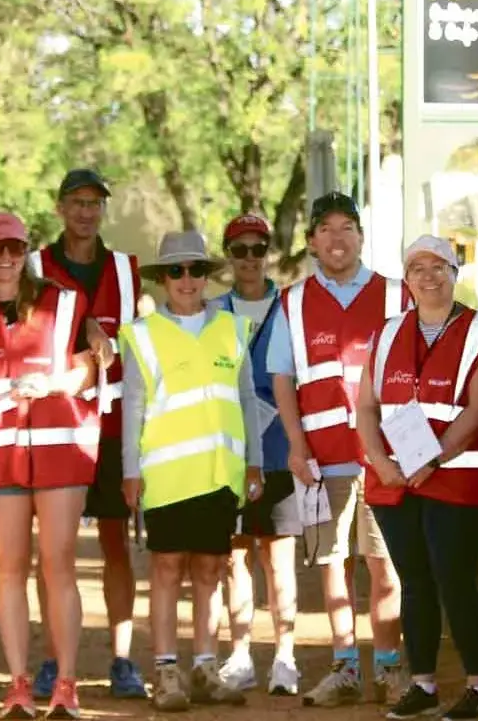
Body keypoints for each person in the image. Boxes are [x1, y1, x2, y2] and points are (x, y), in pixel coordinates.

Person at [266, 192, 411, 708]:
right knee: (333, 564)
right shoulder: (293, 301)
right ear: (311, 242)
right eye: (325, 229)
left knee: (385, 566)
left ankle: (391, 668)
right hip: (323, 459)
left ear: (361, 236)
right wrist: (296, 447)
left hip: (385, 458)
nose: (336, 238)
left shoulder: (398, 295)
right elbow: (283, 380)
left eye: (346, 227)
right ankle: (345, 666)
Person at [355, 236, 478, 720]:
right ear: (407, 278)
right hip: (395, 481)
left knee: (453, 578)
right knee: (414, 582)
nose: (428, 275)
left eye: (439, 266)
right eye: (417, 267)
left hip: (457, 478)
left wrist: (433, 458)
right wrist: (379, 462)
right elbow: (367, 407)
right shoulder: (387, 334)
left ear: (456, 272)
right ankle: (423, 684)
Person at [118, 230, 263, 712]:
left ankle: (204, 666)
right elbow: (132, 408)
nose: (186, 279)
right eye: (176, 271)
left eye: (196, 270)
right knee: (165, 570)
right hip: (165, 476)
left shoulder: (231, 328)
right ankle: (166, 671)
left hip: (220, 475)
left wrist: (255, 464)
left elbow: (246, 400)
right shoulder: (141, 336)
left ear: (207, 276)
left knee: (210, 570)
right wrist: (129, 471)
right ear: (162, 279)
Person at [0, 212, 102, 719]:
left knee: (59, 564)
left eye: (15, 248)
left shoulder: (63, 301)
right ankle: (18, 684)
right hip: (0, 455)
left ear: (26, 250)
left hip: (58, 450)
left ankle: (66, 684)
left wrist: (58, 382)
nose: (6, 259)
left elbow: (88, 362)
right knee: (9, 570)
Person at [25, 168, 145, 700]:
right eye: (76, 201)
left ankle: (122, 659)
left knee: (117, 544)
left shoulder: (125, 269)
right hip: (59, 425)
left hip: (115, 425)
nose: (85, 212)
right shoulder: (34, 266)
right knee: (54, 550)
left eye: (94, 203)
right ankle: (54, 657)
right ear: (59, 207)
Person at [210, 214, 301, 696]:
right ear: (228, 254)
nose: (249, 258)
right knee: (234, 559)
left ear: (268, 252)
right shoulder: (213, 311)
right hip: (230, 454)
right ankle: (241, 654)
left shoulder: (291, 306)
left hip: (281, 451)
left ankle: (285, 657)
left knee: (279, 560)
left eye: (257, 248)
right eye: (239, 249)